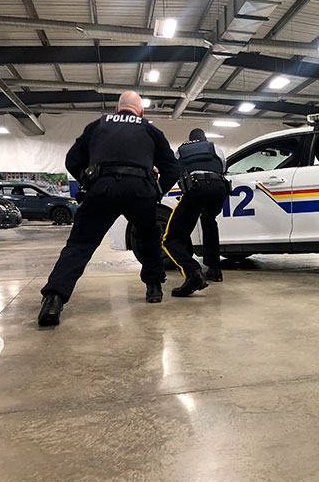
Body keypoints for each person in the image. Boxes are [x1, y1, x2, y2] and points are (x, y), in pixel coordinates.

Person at [38, 91, 180, 326]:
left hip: (101, 189)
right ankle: (154, 288)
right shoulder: (150, 129)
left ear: (117, 109)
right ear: (141, 111)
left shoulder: (98, 125)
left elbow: (72, 160)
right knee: (148, 238)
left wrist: (89, 179)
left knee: (80, 245)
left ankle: (54, 299)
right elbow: (172, 168)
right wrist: (156, 191)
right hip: (140, 191)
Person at [162, 128, 230, 297]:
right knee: (208, 220)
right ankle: (215, 270)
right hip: (219, 189)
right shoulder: (216, 148)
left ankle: (193, 272)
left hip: (197, 189)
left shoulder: (181, 150)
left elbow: (175, 171)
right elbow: (222, 168)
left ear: (190, 139)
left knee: (170, 239)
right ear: (205, 138)